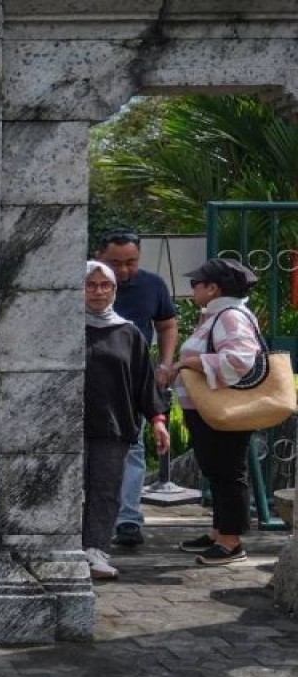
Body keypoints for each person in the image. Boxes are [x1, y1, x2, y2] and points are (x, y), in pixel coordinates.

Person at [168, 258, 263, 566]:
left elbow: (240, 360)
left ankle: (231, 542)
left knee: (227, 472)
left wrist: (189, 363)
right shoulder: (219, 314)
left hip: (223, 409)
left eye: (197, 284)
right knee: (217, 469)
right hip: (209, 409)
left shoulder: (230, 316)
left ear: (214, 288)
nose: (193, 288)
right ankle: (219, 531)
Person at [83, 261, 170, 580]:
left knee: (106, 490)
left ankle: (95, 550)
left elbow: (143, 381)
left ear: (115, 290)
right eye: (90, 285)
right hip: (70, 427)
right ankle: (66, 548)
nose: (98, 292)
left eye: (105, 286)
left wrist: (158, 420)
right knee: (68, 489)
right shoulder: (66, 329)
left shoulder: (128, 333)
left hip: (112, 424)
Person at [95, 229, 178, 547]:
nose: (124, 271)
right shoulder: (90, 282)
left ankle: (128, 519)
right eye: (116, 263)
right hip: (93, 377)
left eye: (131, 262)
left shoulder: (152, 284)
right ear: (100, 256)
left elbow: (167, 324)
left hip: (134, 378)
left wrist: (166, 363)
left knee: (133, 447)